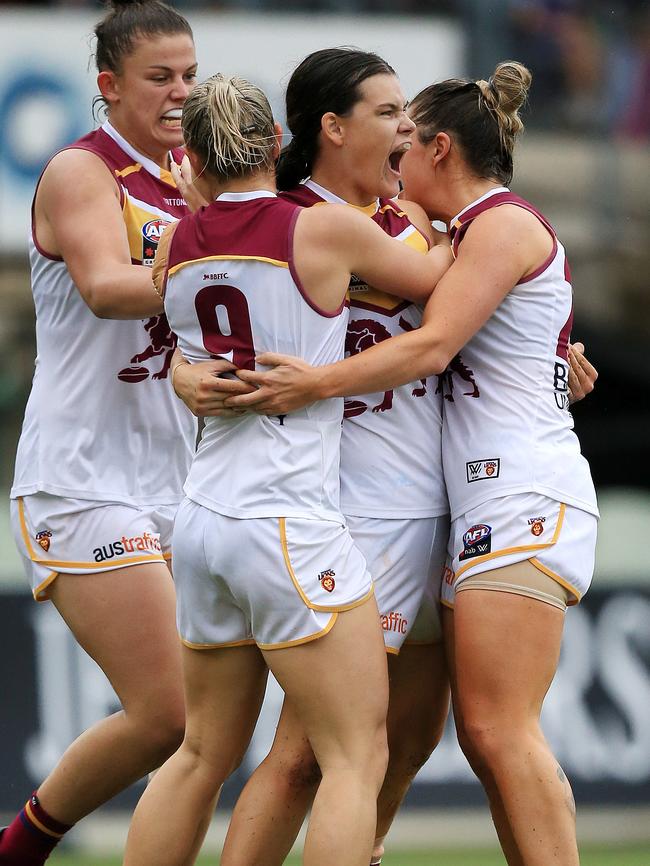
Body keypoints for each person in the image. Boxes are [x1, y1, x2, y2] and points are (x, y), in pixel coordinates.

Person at [224, 61, 599, 866]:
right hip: (442, 508)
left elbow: (433, 346)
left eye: (406, 127)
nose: (396, 144)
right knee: (427, 738)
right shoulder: (430, 232)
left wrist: (316, 382)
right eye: (383, 116)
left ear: (437, 149)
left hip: (515, 493)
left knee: (495, 732)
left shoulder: (488, 227)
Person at [121, 72, 451, 866]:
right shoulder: (323, 231)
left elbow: (183, 346)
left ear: (192, 153)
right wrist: (434, 227)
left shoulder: (176, 238)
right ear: (274, 143)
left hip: (202, 522)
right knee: (353, 757)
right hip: (287, 520)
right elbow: (437, 282)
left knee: (200, 754)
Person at [1, 2, 202, 864]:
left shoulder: (196, 173)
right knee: (168, 716)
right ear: (108, 85)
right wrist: (219, 250)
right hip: (84, 480)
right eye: (159, 78)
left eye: (189, 75)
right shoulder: (83, 174)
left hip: (182, 482)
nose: (180, 93)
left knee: (212, 729)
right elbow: (108, 287)